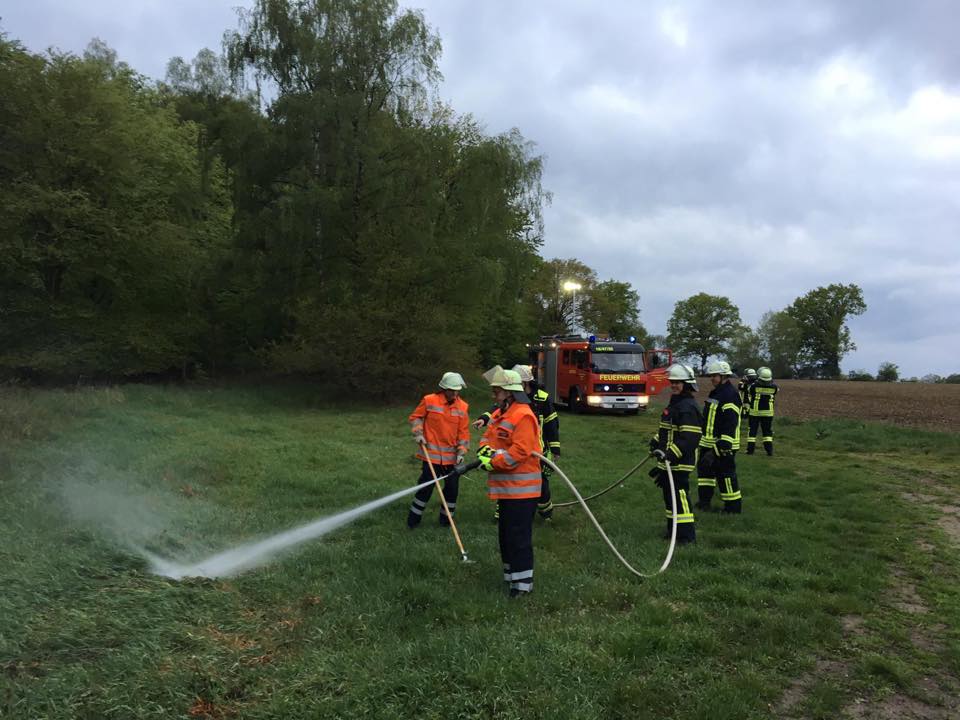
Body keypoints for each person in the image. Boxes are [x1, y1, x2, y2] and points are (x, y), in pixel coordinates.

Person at [460, 366, 541, 596]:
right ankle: (511, 578)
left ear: (509, 392)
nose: (493, 395)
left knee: (518, 538)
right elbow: (487, 437)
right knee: (506, 537)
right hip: (507, 489)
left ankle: (523, 586)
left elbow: (520, 451)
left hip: (523, 491)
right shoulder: (499, 414)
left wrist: (493, 461)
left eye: (496, 391)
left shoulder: (523, 415)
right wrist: (485, 451)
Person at [474, 364, 560, 521]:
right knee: (508, 480)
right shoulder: (506, 407)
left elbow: (551, 423)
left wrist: (555, 448)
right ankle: (502, 511)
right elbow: (495, 412)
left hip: (536, 450)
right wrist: (484, 419)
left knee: (541, 485)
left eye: (497, 392)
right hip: (512, 453)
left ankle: (546, 513)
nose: (494, 396)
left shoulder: (536, 401)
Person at [406, 372, 470, 529]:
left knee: (452, 490)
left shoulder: (463, 406)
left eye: (457, 390)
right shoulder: (429, 400)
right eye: (451, 390)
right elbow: (416, 418)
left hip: (452, 458)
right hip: (431, 456)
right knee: (425, 488)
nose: (454, 394)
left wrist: (461, 452)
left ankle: (446, 521)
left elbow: (463, 433)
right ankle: (413, 521)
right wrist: (419, 434)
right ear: (444, 388)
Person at [648, 364, 702, 544]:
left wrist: (670, 454)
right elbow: (669, 430)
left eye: (678, 382)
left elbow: (689, 438)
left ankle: (686, 536)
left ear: (687, 384)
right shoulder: (676, 403)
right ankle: (673, 531)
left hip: (680, 462)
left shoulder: (688, 407)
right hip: (669, 461)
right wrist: (656, 441)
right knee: (670, 499)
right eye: (672, 382)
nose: (674, 385)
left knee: (680, 498)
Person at [696, 361, 742, 513]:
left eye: (714, 376)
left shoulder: (730, 395)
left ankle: (732, 508)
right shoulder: (716, 393)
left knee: (726, 477)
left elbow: (730, 423)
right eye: (711, 376)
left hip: (723, 445)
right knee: (705, 475)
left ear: (724, 376)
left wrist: (720, 447)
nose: (712, 379)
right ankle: (704, 503)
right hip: (707, 443)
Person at [746, 366, 779, 456]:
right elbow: (776, 392)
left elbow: (749, 391)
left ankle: (750, 450)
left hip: (755, 412)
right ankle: (769, 451)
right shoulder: (774, 387)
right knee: (767, 432)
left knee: (752, 431)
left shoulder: (754, 386)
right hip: (768, 413)